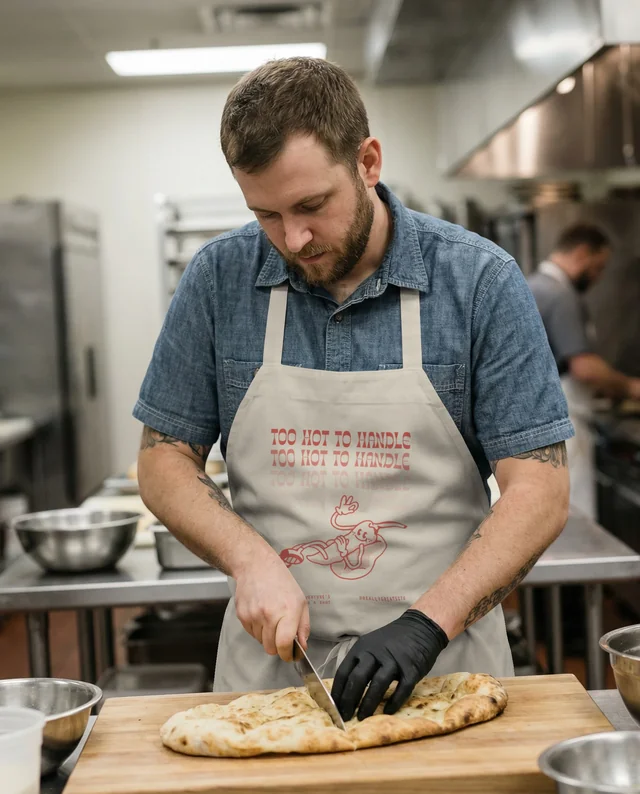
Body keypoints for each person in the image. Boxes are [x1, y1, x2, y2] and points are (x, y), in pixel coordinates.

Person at [134, 57, 571, 722]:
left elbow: (540, 488)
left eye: (312, 206)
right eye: (267, 215)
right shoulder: (218, 282)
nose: (294, 238)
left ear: (368, 161)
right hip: (269, 683)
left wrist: (427, 624)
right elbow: (164, 459)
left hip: (443, 676)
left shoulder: (480, 282)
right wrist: (248, 558)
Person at [528, 224, 640, 519]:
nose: (597, 277)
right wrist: (631, 388)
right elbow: (584, 367)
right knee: (571, 511)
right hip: (562, 421)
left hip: (535, 420)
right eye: (597, 267)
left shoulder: (532, 284)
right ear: (581, 253)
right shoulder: (560, 295)